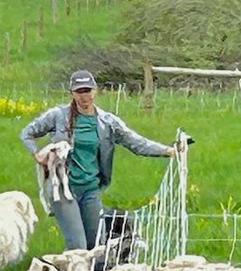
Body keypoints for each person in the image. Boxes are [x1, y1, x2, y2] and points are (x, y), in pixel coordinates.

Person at [20, 69, 179, 251]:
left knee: (95, 246)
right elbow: (27, 133)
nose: (84, 96)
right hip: (63, 190)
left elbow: (136, 142)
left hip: (90, 190)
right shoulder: (57, 116)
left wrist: (168, 151)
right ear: (72, 93)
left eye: (87, 90)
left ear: (95, 91)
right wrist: (38, 155)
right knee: (77, 246)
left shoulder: (107, 121)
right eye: (79, 91)